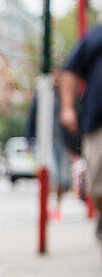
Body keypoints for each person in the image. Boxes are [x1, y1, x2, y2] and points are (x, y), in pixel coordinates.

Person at [60, 25, 102, 242]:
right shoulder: (96, 34)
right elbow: (70, 70)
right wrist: (67, 107)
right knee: (96, 182)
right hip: (97, 123)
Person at [27, 72, 72, 219]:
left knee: (62, 177)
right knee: (48, 173)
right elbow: (32, 117)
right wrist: (29, 139)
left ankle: (57, 207)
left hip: (63, 140)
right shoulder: (41, 94)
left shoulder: (65, 94)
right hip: (45, 140)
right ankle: (46, 207)